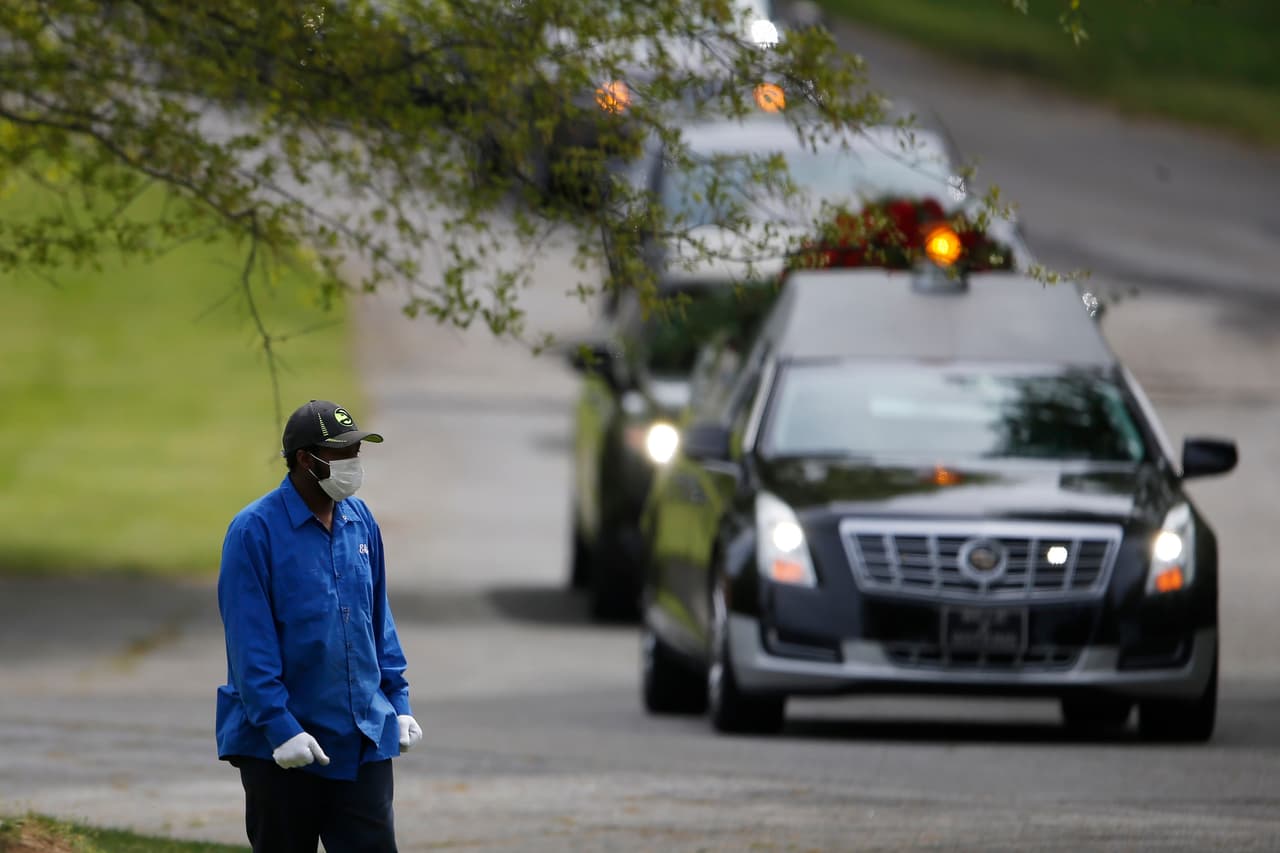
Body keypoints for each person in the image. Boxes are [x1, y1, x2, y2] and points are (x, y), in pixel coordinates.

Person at [215, 399, 421, 853]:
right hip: (284, 747)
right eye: (342, 454)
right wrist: (279, 727)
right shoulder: (254, 531)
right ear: (306, 460)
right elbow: (250, 646)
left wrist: (398, 699)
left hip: (362, 735)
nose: (353, 464)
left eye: (356, 452)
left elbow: (377, 619)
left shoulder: (361, 521)